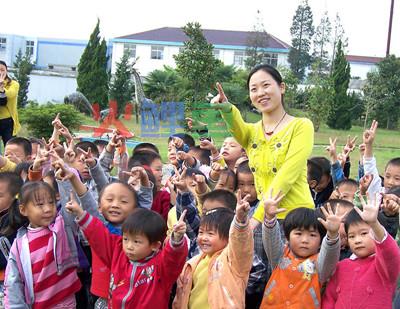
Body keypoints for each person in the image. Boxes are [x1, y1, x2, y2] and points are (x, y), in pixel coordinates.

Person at [210, 64, 314, 223]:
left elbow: (287, 175)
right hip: (264, 215)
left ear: (282, 87)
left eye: (266, 85)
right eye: (254, 89)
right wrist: (226, 108)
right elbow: (238, 129)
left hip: (296, 218)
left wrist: (256, 219)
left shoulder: (301, 126)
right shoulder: (252, 132)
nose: (260, 93)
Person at [66, 202, 188, 309]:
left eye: (136, 241)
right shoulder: (117, 252)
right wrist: (80, 214)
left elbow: (173, 259)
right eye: (125, 239)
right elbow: (99, 234)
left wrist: (177, 239)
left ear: (155, 245)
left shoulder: (161, 267)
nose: (129, 246)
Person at [4, 181, 81, 307]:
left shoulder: (61, 227)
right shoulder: (19, 245)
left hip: (66, 303)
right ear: (23, 210)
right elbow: (13, 282)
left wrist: (64, 179)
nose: (47, 209)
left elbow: (70, 205)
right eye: (40, 204)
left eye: (51, 202)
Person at [260, 192, 343, 308]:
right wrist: (269, 218)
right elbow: (270, 239)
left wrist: (332, 234)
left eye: (312, 235)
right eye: (298, 233)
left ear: (321, 241)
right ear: (287, 237)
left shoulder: (320, 264)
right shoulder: (280, 256)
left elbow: (330, 254)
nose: (305, 240)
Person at [172, 190, 254, 308]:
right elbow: (180, 298)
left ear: (228, 237)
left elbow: (241, 242)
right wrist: (176, 237)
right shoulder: (192, 264)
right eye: (201, 232)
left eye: (210, 233)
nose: (204, 238)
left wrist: (240, 221)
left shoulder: (233, 261)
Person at [322, 195, 400, 308]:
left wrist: (374, 224)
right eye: (351, 236)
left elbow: (391, 254)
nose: (357, 240)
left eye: (364, 233)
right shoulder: (341, 266)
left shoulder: (383, 266)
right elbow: (329, 298)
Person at [0, 61, 20, 148]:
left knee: (10, 146)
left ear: (6, 71)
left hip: (8, 121)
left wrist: (1, 87)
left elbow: (10, 94)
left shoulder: (13, 84)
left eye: (2, 70)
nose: (0, 72)